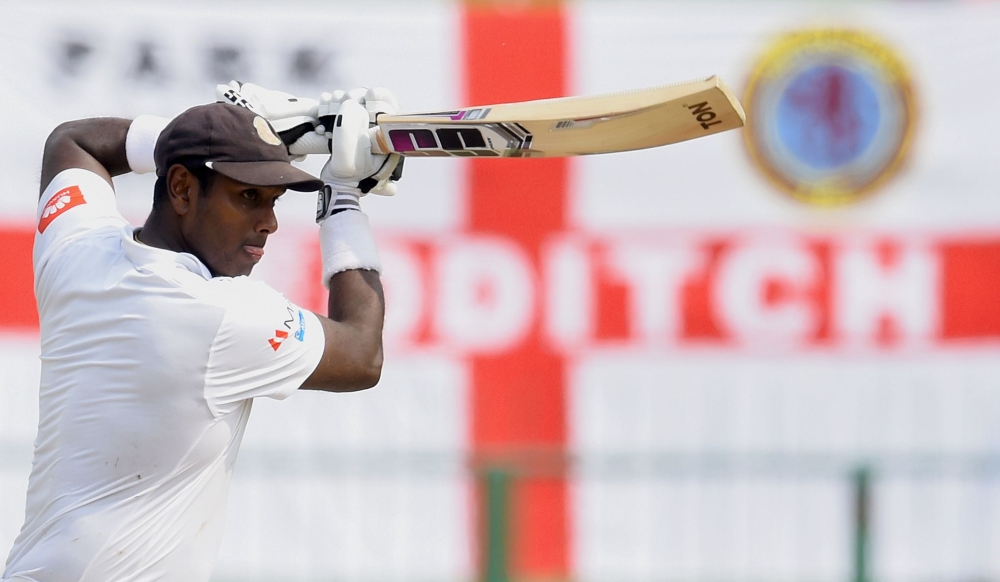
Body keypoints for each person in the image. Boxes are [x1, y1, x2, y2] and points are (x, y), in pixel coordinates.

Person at [2, 83, 402, 582]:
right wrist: (343, 202)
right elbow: (362, 356)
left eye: (273, 200)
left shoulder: (77, 248)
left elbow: (72, 141)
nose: (270, 223)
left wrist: (227, 142)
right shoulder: (219, 315)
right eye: (249, 196)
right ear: (182, 189)